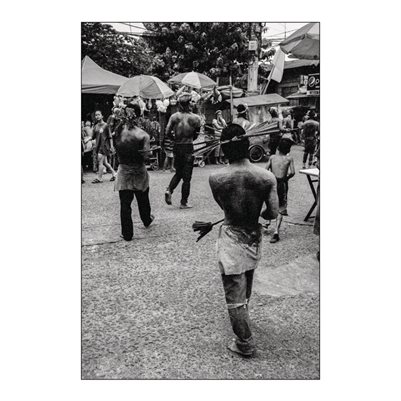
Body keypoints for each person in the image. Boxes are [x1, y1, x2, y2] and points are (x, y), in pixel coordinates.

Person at [209, 124, 279, 357]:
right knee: (246, 277)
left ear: (224, 149)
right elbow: (273, 212)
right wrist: (260, 212)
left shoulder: (216, 178)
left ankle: (245, 343)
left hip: (231, 235)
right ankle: (243, 319)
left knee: (234, 292)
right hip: (252, 236)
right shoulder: (266, 177)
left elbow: (223, 206)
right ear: (248, 145)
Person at [113, 103, 154, 241]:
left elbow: (116, 149)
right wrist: (149, 152)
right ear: (138, 116)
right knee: (143, 198)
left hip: (124, 170)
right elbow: (146, 156)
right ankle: (146, 219)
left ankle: (127, 234)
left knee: (125, 203)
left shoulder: (117, 131)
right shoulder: (143, 135)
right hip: (138, 170)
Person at [164, 93, 201, 209]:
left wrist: (174, 139)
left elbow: (167, 132)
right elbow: (196, 134)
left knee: (179, 172)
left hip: (177, 146)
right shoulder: (196, 118)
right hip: (188, 146)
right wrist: (190, 139)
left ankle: (169, 189)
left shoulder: (174, 117)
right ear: (189, 104)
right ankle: (183, 202)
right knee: (187, 178)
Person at [265, 138, 295, 243]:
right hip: (282, 183)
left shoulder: (272, 157)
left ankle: (267, 222)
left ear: (278, 148)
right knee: (281, 206)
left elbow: (265, 170)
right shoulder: (289, 159)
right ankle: (276, 232)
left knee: (270, 201)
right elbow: (292, 172)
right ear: (288, 150)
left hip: (273, 183)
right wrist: (286, 178)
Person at [92, 110, 117, 183]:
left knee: (100, 162)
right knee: (105, 162)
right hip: (98, 146)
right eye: (96, 115)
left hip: (104, 146)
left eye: (99, 114)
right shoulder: (95, 126)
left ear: (102, 116)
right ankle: (114, 174)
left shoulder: (106, 125)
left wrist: (111, 146)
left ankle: (99, 178)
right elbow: (93, 137)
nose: (97, 116)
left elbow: (110, 137)